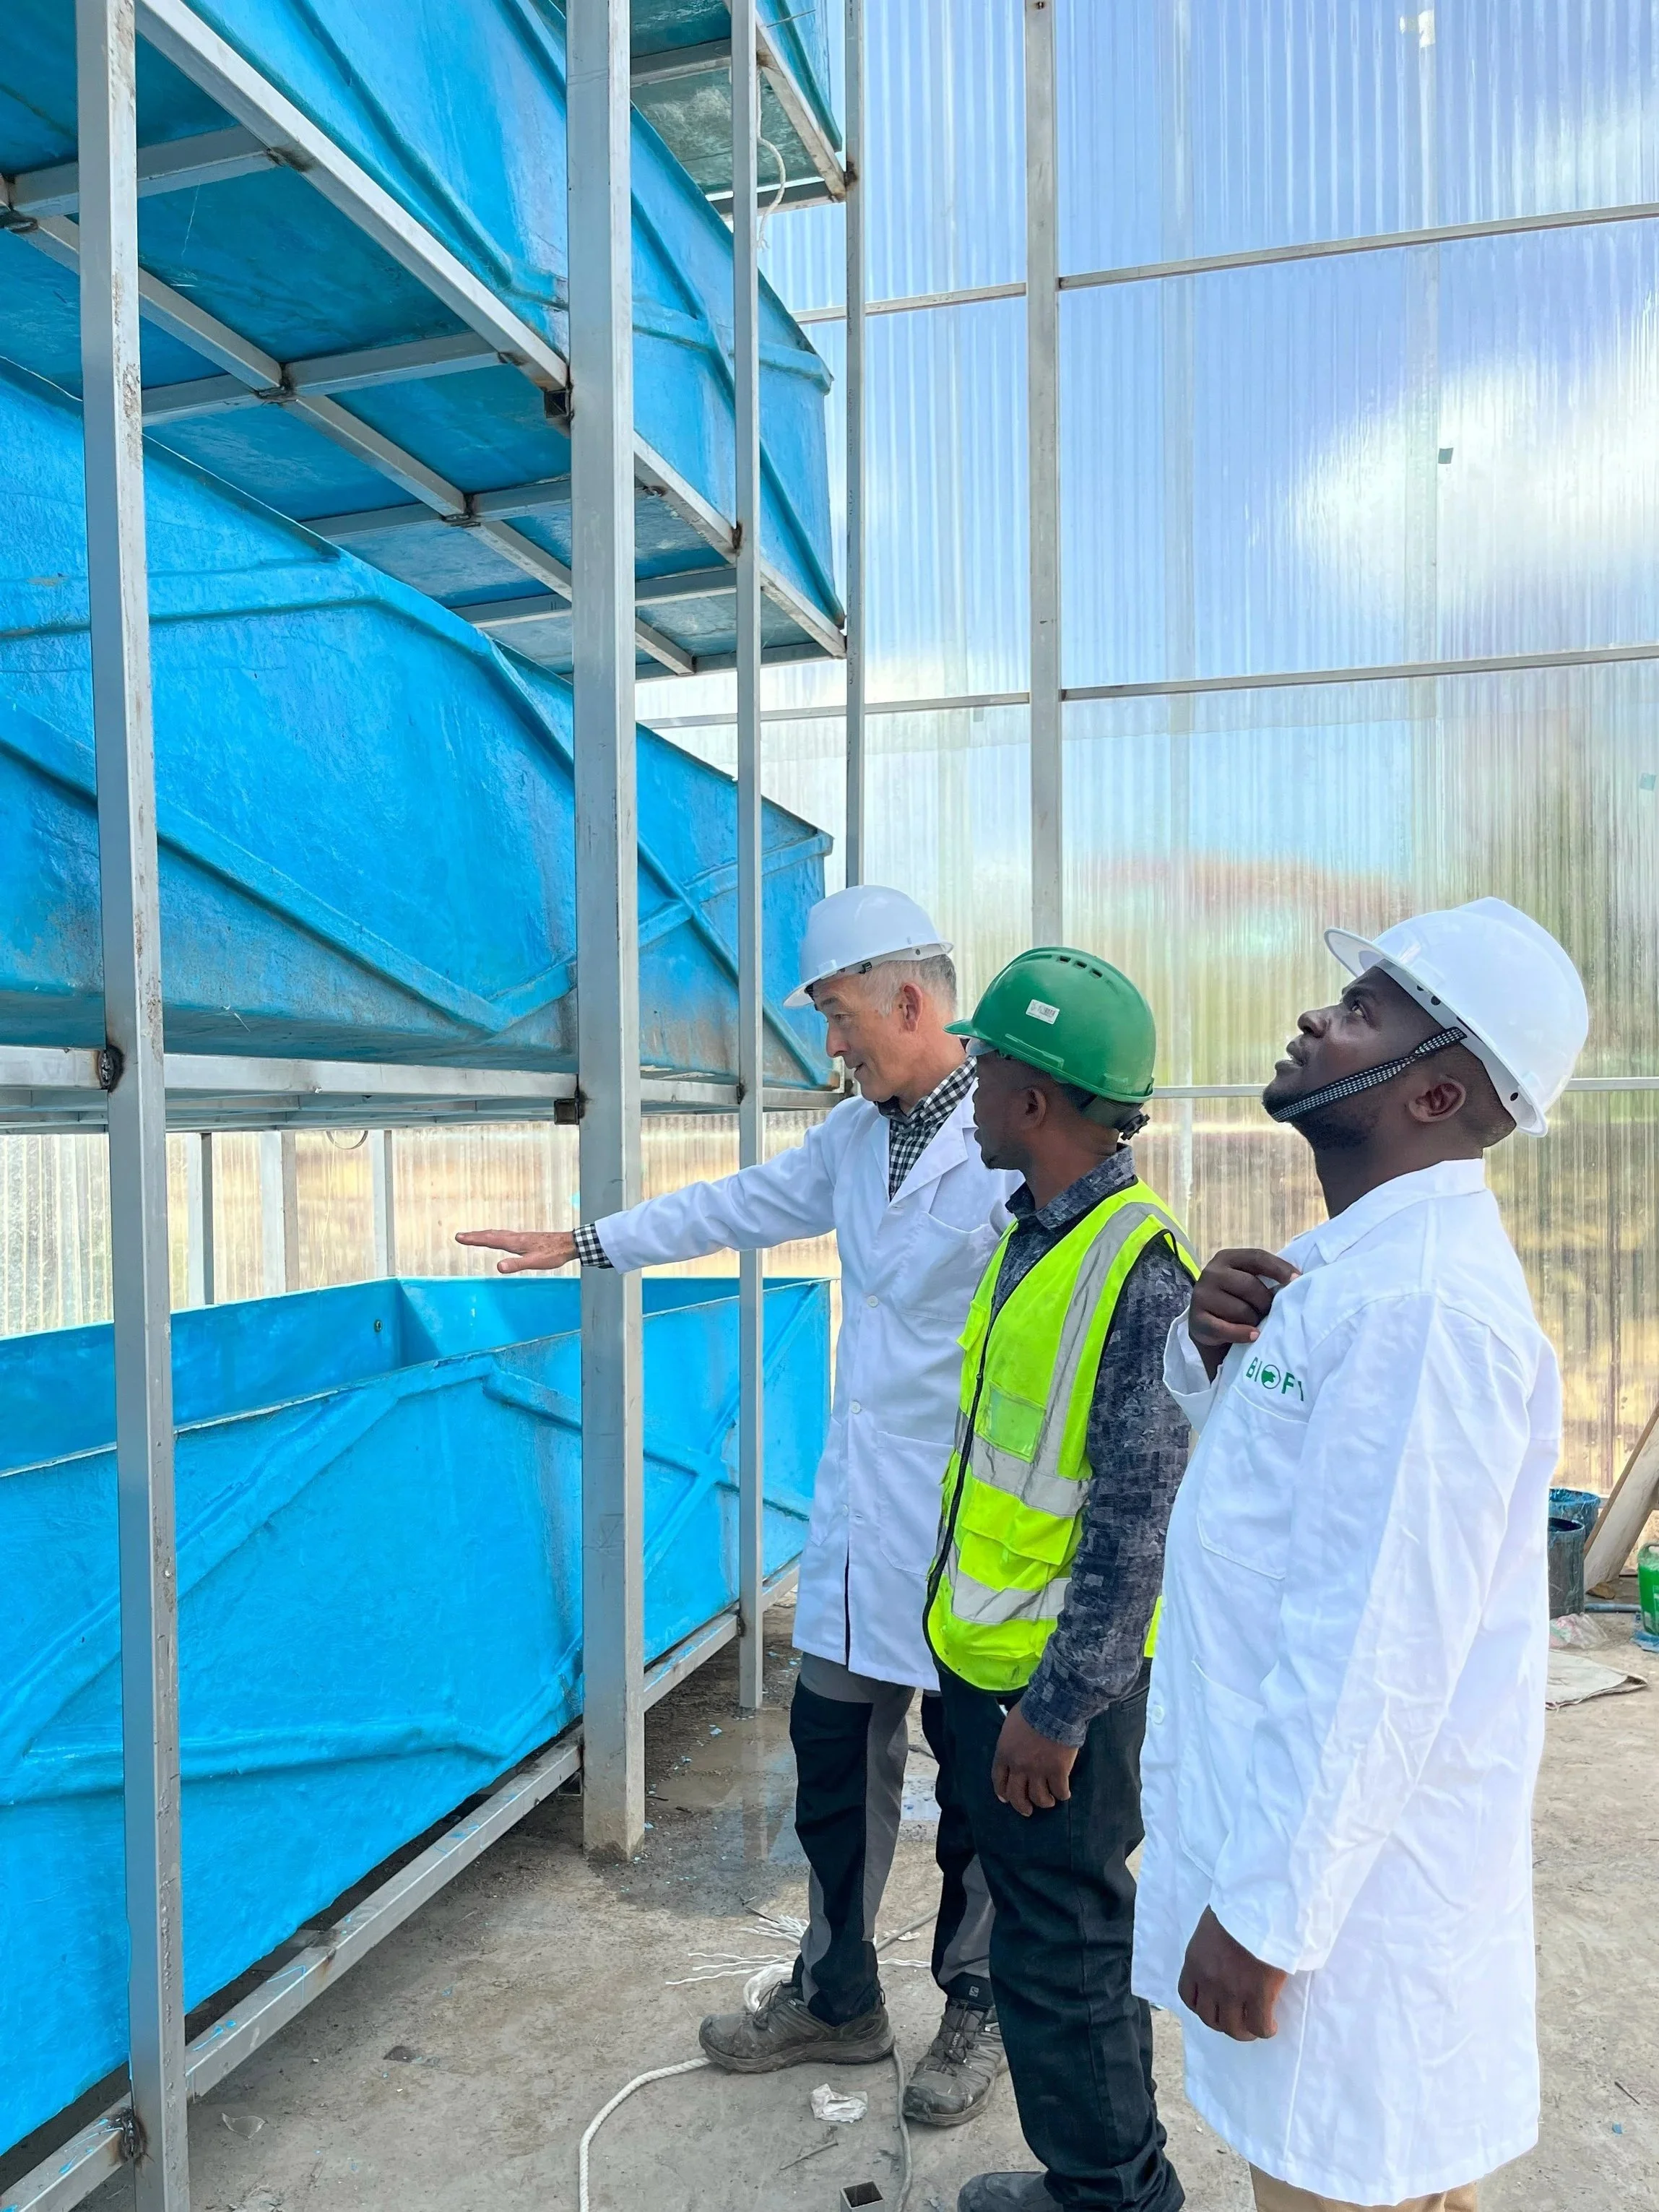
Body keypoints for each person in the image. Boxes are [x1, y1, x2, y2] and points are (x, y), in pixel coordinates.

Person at [458, 886, 1019, 2127]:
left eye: (837, 1017)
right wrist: (587, 1241)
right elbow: (738, 1203)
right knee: (833, 1758)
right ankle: (838, 1990)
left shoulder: (1013, 1133)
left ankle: (980, 2004)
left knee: (976, 1784)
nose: (832, 1045)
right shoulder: (858, 1138)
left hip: (976, 1525)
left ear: (910, 1000)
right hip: (864, 1518)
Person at [1132, 898, 1591, 2212]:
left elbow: (1375, 1648)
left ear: (1435, 1088)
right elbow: (1274, 1512)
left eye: (1367, 1010)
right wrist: (1207, 1358)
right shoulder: (1345, 1275)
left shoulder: (1427, 1313)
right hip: (1309, 1882)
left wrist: (1266, 1915)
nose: (1318, 1017)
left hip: (1351, 1930)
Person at [924, 949, 1197, 2212]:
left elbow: (1137, 1520)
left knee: (1069, 1954)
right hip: (990, 1667)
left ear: (1035, 1099)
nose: (969, 1093)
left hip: (1049, 1697)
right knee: (1046, 1945)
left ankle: (1114, 2194)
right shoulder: (1039, 1235)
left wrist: (1059, 1708)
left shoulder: (1137, 1270)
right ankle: (1093, 2177)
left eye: (986, 1072)